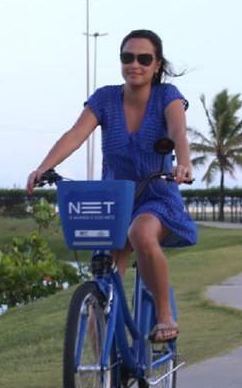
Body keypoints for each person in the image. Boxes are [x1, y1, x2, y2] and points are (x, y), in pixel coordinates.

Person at [26, 29, 197, 343]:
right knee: (102, 281)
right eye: (127, 57)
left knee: (141, 233)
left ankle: (163, 315)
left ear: (157, 64)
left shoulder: (167, 95)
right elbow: (75, 135)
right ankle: (101, 376)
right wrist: (44, 167)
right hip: (115, 201)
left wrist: (183, 162)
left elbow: (178, 133)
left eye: (144, 59)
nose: (135, 64)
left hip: (155, 195)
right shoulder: (105, 98)